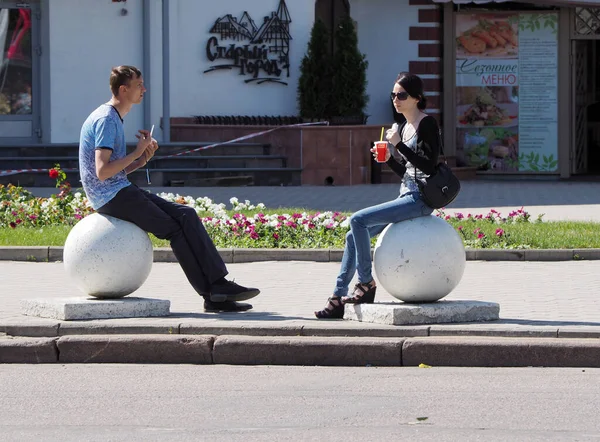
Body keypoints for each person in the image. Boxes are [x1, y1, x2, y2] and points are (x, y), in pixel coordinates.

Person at [79, 65, 260, 312]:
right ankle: (211, 294)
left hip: (117, 190)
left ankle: (219, 285)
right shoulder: (106, 119)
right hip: (110, 196)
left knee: (187, 214)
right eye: (139, 84)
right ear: (124, 89)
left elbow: (112, 172)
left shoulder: (112, 117)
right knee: (174, 229)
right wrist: (136, 151)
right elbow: (102, 172)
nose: (144, 89)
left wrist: (142, 160)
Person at [315, 72, 440, 319]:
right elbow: (407, 172)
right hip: (406, 195)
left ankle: (365, 283)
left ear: (417, 97)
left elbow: (428, 167)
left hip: (421, 200)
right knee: (353, 235)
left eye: (402, 95)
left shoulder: (427, 124)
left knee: (358, 220)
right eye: (393, 95)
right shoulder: (402, 128)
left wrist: (400, 146)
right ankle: (338, 297)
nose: (396, 99)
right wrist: (388, 159)